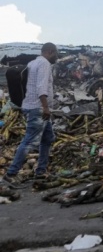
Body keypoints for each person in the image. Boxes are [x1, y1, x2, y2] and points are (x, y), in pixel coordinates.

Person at [3, 43, 58, 185]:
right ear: (50, 51)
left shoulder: (32, 63)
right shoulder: (44, 64)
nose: (57, 57)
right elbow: (41, 87)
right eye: (56, 54)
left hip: (32, 106)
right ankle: (11, 173)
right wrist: (45, 107)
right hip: (38, 108)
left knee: (48, 138)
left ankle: (40, 170)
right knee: (29, 141)